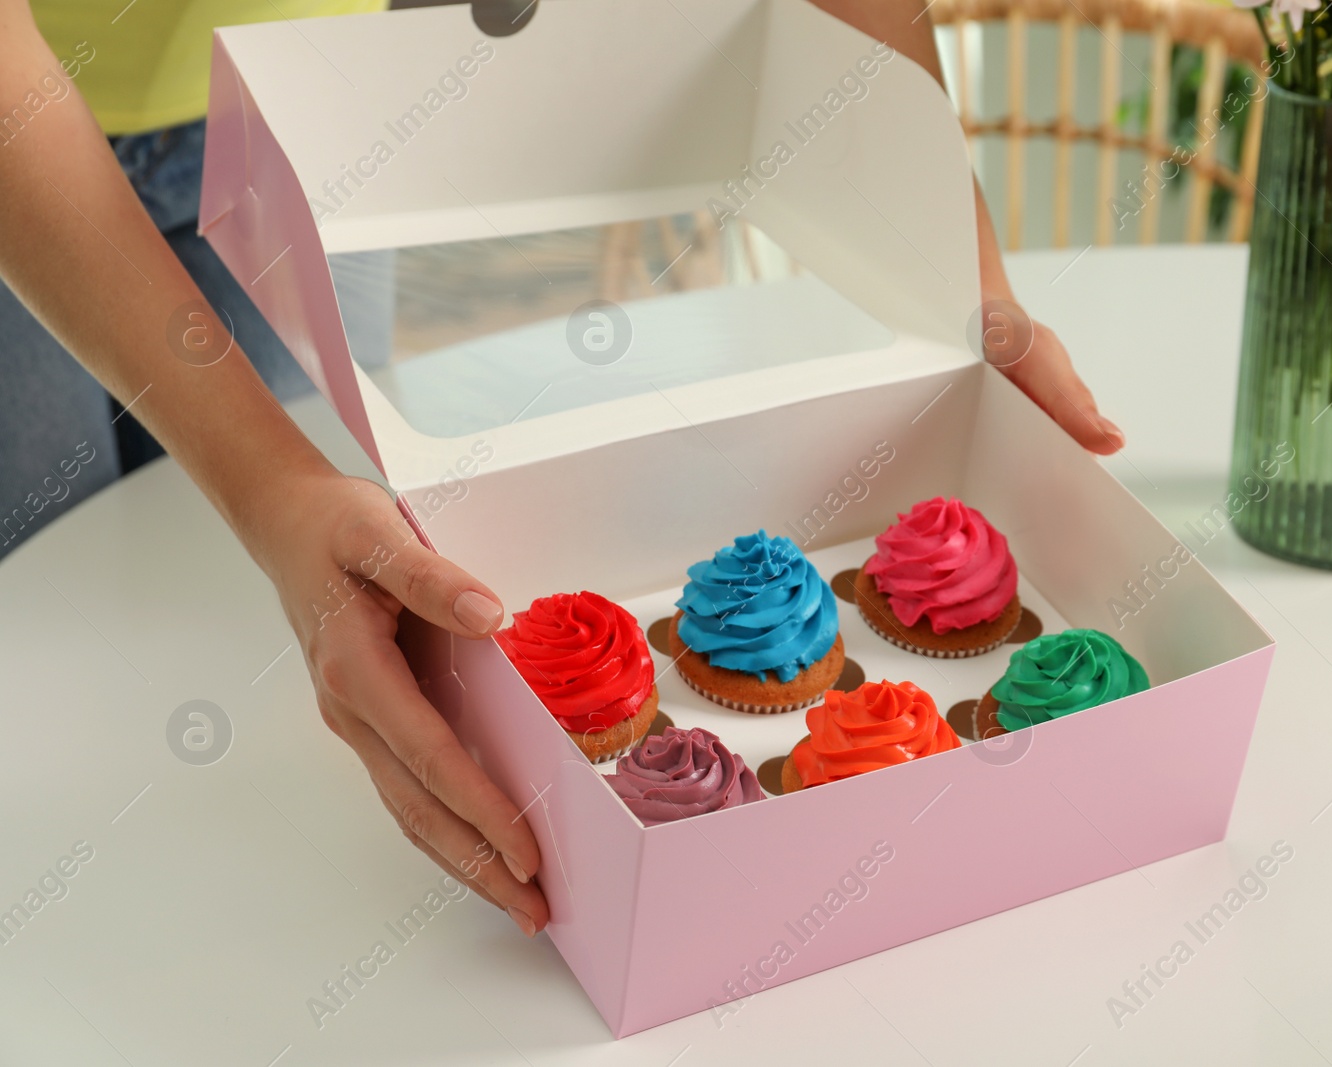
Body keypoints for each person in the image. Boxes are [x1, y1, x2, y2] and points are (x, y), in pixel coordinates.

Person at [0, 0, 1124, 938]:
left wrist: (959, 287)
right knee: (53, 640)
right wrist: (270, 489)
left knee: (175, 589)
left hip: (304, 101)